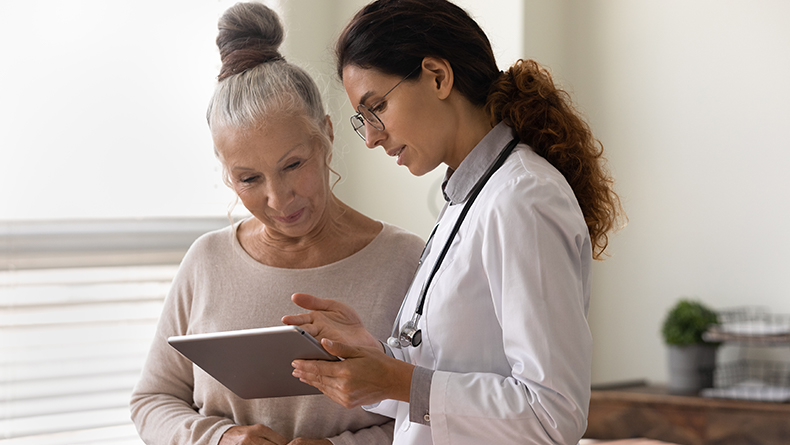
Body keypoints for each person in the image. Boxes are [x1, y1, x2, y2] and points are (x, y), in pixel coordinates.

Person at [284, 0, 624, 444]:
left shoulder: (523, 199)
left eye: (378, 107)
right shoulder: (470, 198)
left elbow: (553, 416)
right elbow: (447, 380)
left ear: (438, 76)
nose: (371, 137)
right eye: (362, 119)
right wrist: (374, 357)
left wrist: (398, 380)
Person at [129, 3, 425, 445]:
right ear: (227, 173)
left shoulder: (409, 262)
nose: (277, 198)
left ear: (326, 134)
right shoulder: (206, 262)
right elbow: (152, 399)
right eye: (249, 178)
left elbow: (433, 410)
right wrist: (220, 439)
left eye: (293, 164)